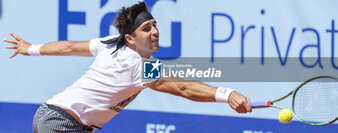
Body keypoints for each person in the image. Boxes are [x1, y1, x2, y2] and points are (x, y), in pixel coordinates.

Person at [4, 2, 251, 133]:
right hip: (61, 123)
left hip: (53, 117)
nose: (155, 31)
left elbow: (68, 47)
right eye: (146, 28)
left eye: (154, 25)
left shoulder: (110, 44)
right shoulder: (137, 66)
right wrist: (226, 94)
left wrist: (31, 48)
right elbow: (184, 87)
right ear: (131, 38)